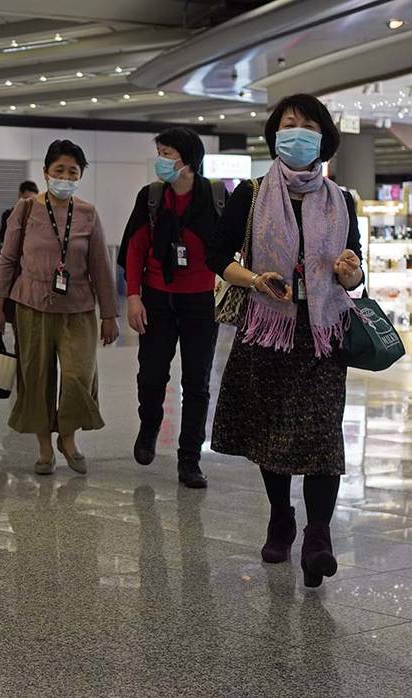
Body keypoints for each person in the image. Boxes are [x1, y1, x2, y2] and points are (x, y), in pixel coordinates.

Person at [207, 94, 362, 588]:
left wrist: (349, 271)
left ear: (323, 137)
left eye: (307, 124)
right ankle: (281, 518)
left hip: (322, 336)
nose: (296, 132)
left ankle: (318, 535)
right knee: (271, 435)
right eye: (288, 124)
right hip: (268, 330)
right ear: (275, 133)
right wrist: (253, 279)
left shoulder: (341, 200)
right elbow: (216, 255)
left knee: (321, 437)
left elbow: (353, 267)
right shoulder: (250, 194)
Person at [0, 140, 119, 475]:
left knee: (79, 376)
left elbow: (101, 267)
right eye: (59, 170)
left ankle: (67, 437)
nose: (65, 176)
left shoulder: (88, 213)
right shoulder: (27, 209)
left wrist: (109, 315)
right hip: (31, 306)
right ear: (46, 172)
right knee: (35, 377)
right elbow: (7, 261)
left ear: (80, 176)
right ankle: (45, 448)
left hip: (77, 308)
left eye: (72, 171)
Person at [118, 126, 227, 489]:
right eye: (159, 152)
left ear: (188, 159)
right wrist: (132, 296)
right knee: (151, 375)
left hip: (201, 299)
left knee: (196, 382)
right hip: (157, 297)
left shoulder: (214, 195)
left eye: (167, 154)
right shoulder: (151, 197)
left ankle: (190, 459)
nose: (160, 161)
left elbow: (229, 248)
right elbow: (134, 249)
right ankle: (148, 427)